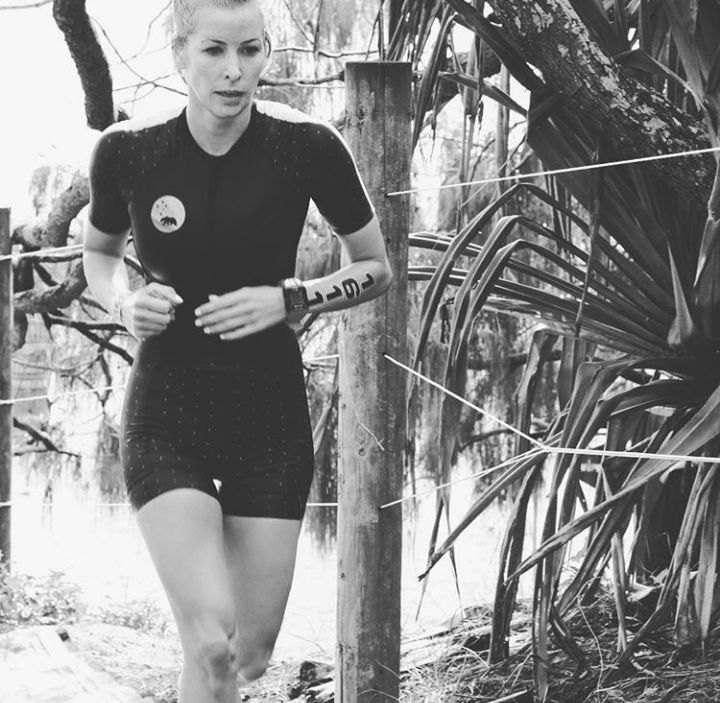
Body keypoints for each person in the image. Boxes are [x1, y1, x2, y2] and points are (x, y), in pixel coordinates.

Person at [81, 0, 392, 700]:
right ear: (180, 56)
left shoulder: (307, 146)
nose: (233, 71)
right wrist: (124, 302)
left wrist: (293, 298)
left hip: (270, 417)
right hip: (167, 412)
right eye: (215, 51)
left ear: (266, 54)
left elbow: (376, 266)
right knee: (211, 642)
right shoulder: (130, 149)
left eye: (250, 50)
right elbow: (99, 256)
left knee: (245, 655)